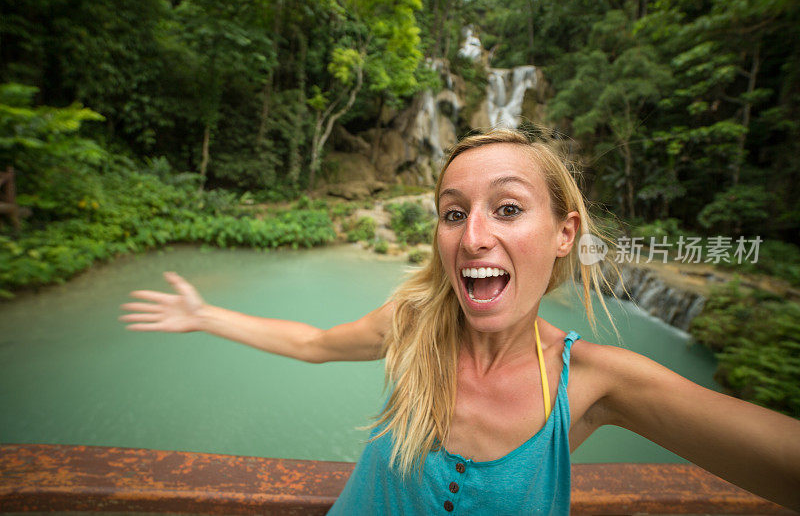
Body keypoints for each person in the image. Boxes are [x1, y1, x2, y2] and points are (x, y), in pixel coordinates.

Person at [121, 129, 800, 514]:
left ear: (564, 234)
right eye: (453, 211)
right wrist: (204, 312)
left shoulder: (595, 381)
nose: (473, 235)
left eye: (507, 208)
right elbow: (311, 343)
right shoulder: (414, 322)